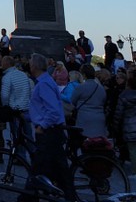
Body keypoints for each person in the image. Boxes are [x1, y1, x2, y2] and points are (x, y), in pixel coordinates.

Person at [26, 52, 72, 200]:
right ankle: (69, 196)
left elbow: (52, 110)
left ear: (34, 66)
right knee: (58, 171)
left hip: (48, 133)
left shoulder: (44, 84)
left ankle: (27, 198)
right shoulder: (46, 81)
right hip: (52, 131)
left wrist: (42, 126)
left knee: (38, 169)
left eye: (30, 63)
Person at [70, 64, 107, 138]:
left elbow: (73, 100)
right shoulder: (101, 88)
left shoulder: (80, 87)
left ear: (83, 74)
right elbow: (104, 100)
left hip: (84, 117)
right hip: (99, 118)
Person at [112, 74, 136, 169]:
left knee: (133, 149)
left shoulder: (124, 95)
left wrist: (115, 126)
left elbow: (118, 113)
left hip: (129, 125)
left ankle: (135, 170)